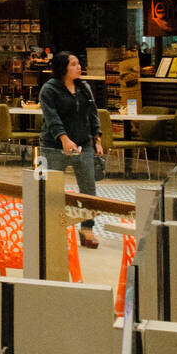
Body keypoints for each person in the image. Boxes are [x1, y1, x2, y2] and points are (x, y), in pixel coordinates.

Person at [39, 50, 104, 249]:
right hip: (54, 147)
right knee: (51, 188)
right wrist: (64, 139)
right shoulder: (49, 90)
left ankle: (87, 229)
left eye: (78, 63)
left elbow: (92, 114)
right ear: (63, 68)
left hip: (83, 144)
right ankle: (50, 227)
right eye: (73, 64)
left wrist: (97, 138)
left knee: (88, 189)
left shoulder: (84, 88)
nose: (79, 67)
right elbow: (52, 118)